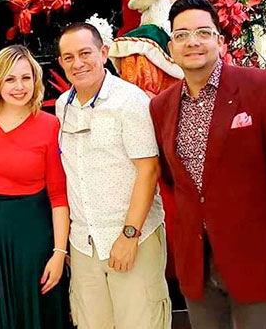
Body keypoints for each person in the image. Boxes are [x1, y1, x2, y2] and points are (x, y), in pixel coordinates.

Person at [150, 0, 266, 329]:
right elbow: (173, 180)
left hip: (259, 263)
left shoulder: (261, 87)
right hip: (197, 267)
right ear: (171, 47)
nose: (192, 42)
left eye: (203, 32)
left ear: (220, 41)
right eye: (182, 35)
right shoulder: (162, 107)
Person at [56, 23, 170, 329]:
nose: (78, 64)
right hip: (85, 244)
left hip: (132, 238)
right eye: (69, 57)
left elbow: (148, 170)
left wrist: (129, 236)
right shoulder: (63, 106)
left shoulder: (130, 100)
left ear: (103, 53)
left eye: (85, 53)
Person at [0, 45, 69, 329]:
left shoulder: (49, 125)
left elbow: (58, 196)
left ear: (36, 80)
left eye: (26, 78)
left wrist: (59, 253)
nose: (19, 87)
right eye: (10, 79)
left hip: (30, 239)